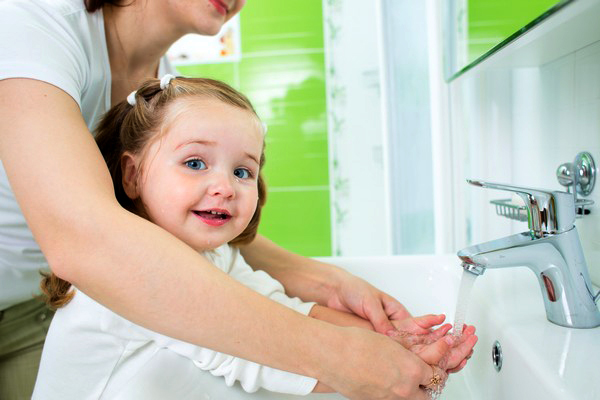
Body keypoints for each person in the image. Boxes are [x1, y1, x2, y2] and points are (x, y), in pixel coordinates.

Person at [0, 1, 475, 399]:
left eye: (244, 171)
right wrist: (349, 360)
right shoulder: (33, 24)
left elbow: (268, 305)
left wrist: (388, 339)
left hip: (35, 301)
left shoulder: (167, 102)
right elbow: (240, 352)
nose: (224, 186)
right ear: (133, 175)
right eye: (195, 165)